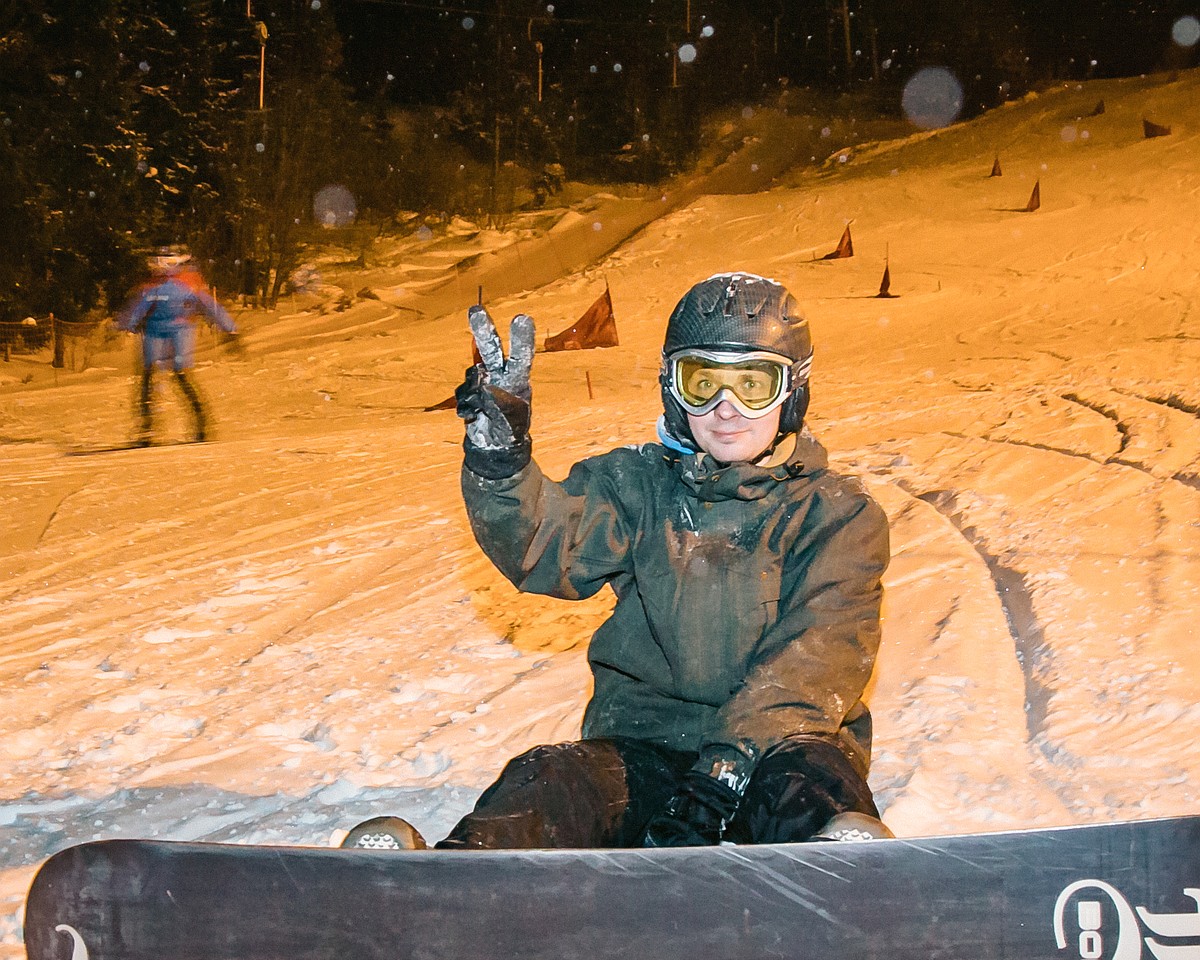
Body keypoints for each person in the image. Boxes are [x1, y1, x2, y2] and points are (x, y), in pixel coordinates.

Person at [346, 272, 890, 852]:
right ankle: (452, 887)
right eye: (702, 382)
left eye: (753, 384)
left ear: (793, 391)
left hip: (778, 748)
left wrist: (725, 773)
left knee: (812, 786)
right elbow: (543, 544)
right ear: (672, 389)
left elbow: (815, 661)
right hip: (644, 746)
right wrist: (500, 466)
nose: (726, 409)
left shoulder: (837, 514)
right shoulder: (635, 486)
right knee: (553, 776)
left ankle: (845, 877)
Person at [115, 247, 240, 445]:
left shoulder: (188, 282)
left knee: (181, 373)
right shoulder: (151, 284)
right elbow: (139, 306)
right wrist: (126, 324)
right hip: (154, 331)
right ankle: (147, 428)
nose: (155, 269)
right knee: (148, 374)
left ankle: (201, 424)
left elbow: (210, 305)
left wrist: (230, 328)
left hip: (180, 330)